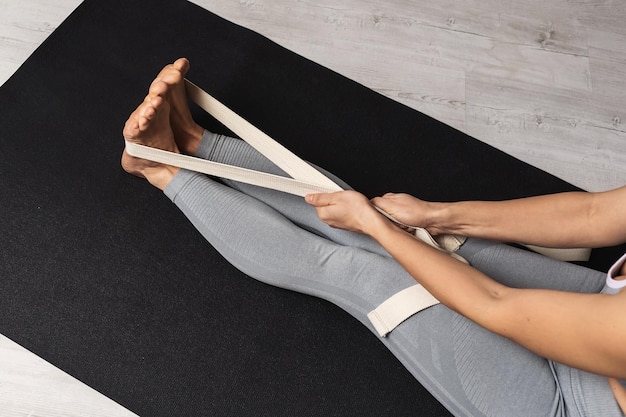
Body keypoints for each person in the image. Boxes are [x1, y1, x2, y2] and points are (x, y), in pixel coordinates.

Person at [122, 58, 626, 417]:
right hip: (598, 312)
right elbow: (593, 214)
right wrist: (439, 216)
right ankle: (191, 145)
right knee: (417, 233)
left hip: (566, 403)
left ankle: (161, 170)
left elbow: (498, 306)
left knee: (364, 271)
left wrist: (375, 227)